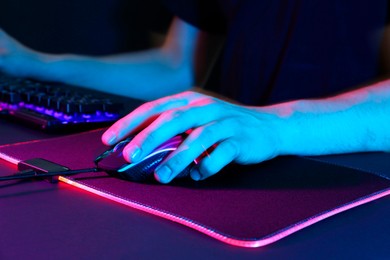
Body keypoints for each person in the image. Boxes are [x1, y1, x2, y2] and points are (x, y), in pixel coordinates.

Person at [1, 0, 390, 183]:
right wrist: (34, 63)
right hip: (221, 164)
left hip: (348, 181)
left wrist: (276, 125)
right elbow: (175, 68)